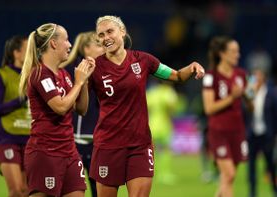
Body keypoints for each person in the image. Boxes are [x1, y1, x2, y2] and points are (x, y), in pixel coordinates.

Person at [88, 15, 205, 197]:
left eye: (110, 31)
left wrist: (191, 67)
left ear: (122, 32)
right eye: (101, 35)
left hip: (139, 146)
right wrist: (79, 82)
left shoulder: (143, 60)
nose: (106, 38)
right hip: (108, 146)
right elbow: (80, 106)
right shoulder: (95, 67)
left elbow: (177, 76)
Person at [18, 23, 95, 197]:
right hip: (45, 153)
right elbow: (60, 107)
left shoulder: (64, 75)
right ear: (53, 43)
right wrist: (79, 82)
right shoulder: (39, 74)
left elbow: (81, 109)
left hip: (69, 152)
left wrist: (85, 81)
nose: (69, 45)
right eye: (66, 40)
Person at [202, 36, 251, 197]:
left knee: (228, 177)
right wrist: (232, 97)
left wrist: (248, 95)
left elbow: (251, 106)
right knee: (228, 174)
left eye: (238, 51)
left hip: (237, 130)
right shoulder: (211, 76)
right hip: (219, 132)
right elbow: (209, 108)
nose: (238, 55)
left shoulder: (242, 75)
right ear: (222, 54)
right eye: (233, 51)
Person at [61, 31, 105, 197]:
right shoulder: (68, 71)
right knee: (72, 191)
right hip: (72, 144)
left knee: (99, 191)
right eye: (99, 45)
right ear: (86, 48)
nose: (103, 48)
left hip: (97, 143)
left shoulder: (105, 72)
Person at [0, 35, 30, 197]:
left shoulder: (33, 74)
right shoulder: (0, 75)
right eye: (28, 49)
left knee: (27, 191)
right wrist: (22, 99)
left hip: (30, 139)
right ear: (17, 53)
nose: (31, 53)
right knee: (16, 191)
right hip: (8, 138)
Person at [245, 66, 277, 197]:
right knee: (251, 165)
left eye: (259, 76)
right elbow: (245, 110)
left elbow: (275, 115)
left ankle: (274, 189)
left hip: (267, 134)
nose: (256, 79)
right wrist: (250, 93)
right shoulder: (250, 93)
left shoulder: (271, 93)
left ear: (264, 78)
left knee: (270, 165)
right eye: (254, 76)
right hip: (252, 134)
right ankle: (252, 192)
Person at [146, 79, 178, 185]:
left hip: (152, 125)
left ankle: (150, 172)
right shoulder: (168, 92)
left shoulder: (151, 93)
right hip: (164, 125)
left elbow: (146, 107)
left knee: (151, 151)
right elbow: (172, 106)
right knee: (166, 150)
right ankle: (165, 174)